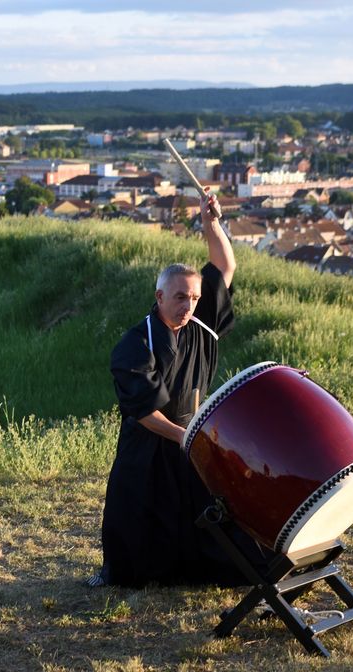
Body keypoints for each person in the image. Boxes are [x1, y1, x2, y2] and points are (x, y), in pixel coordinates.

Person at [90, 193, 271, 588]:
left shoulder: (200, 325)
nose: (187, 305)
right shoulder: (135, 345)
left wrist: (210, 223)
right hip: (149, 442)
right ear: (159, 297)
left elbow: (226, 264)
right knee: (137, 532)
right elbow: (145, 413)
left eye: (193, 298)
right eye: (179, 297)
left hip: (192, 435)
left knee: (209, 520)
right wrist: (186, 437)